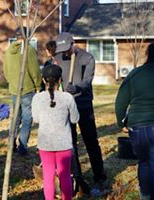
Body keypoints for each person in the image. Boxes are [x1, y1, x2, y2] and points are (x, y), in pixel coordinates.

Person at [54, 32, 106, 195]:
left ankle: (100, 176)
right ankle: (77, 177)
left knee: (91, 141)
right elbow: (56, 78)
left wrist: (78, 87)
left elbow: (87, 80)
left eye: (67, 48)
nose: (65, 52)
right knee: (70, 143)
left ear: (73, 43)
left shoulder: (87, 58)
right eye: (61, 49)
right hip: (66, 106)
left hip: (83, 104)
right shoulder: (59, 58)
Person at [115, 41, 154, 199]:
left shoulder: (135, 73)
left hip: (137, 127)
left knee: (143, 163)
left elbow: (121, 101)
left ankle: (145, 195)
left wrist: (121, 122)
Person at [32, 64, 79, 200]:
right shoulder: (68, 97)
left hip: (45, 143)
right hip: (64, 143)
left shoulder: (38, 98)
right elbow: (75, 119)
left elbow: (35, 119)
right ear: (61, 80)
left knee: (48, 176)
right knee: (65, 176)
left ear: (43, 80)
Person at [3, 27, 42, 155]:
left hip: (14, 90)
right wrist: (38, 86)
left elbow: (6, 71)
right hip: (27, 89)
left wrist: (12, 82)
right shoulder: (28, 50)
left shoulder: (9, 50)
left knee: (16, 118)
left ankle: (11, 143)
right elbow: (35, 71)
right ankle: (23, 147)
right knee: (26, 119)